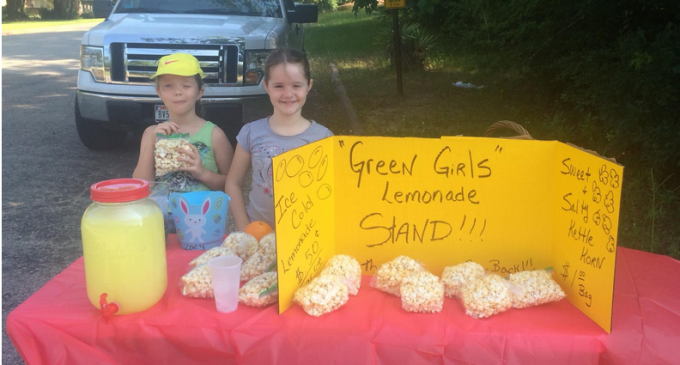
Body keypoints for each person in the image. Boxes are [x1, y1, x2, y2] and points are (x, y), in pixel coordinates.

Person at [225, 48, 333, 230]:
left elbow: (330, 192)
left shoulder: (323, 138)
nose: (288, 94)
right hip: (259, 237)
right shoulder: (251, 132)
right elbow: (233, 183)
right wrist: (245, 228)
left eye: (296, 85)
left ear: (309, 85)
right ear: (266, 86)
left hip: (305, 238)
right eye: (279, 86)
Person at [133, 53, 233, 193]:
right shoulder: (151, 133)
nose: (178, 92)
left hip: (202, 213)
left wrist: (202, 173)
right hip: (162, 214)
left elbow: (232, 184)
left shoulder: (214, 135)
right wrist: (151, 142)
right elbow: (141, 187)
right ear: (159, 92)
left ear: (199, 92)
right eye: (168, 86)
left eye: (186, 85)